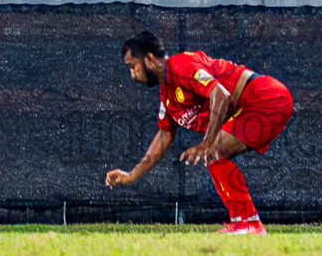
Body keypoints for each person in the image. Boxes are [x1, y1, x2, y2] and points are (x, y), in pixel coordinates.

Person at [107, 30, 293, 235]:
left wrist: (206, 143)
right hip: (252, 106)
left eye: (133, 66)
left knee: (213, 151)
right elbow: (164, 136)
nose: (132, 75)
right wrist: (132, 175)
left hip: (266, 97)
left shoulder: (180, 65)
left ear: (149, 58)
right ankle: (244, 222)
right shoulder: (167, 95)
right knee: (213, 153)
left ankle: (249, 223)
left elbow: (220, 94)